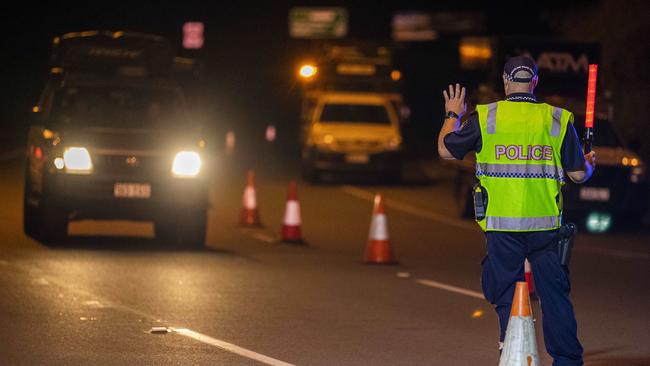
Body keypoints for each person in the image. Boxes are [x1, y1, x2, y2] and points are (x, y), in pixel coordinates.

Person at [436, 56, 596, 366]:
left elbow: (445, 149)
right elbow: (578, 175)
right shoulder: (556, 119)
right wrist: (589, 163)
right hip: (546, 229)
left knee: (505, 293)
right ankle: (567, 361)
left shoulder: (487, 117)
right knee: (555, 297)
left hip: (502, 226)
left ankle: (512, 351)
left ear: (506, 81)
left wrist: (452, 114)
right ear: (535, 82)